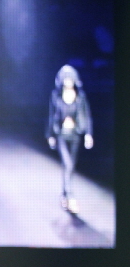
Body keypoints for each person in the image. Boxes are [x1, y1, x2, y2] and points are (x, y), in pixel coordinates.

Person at [46, 64, 93, 215]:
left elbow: (87, 116)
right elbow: (51, 116)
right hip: (61, 135)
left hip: (75, 135)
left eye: (70, 79)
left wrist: (88, 134)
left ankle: (64, 194)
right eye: (66, 79)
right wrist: (50, 135)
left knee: (70, 166)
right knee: (67, 164)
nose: (68, 82)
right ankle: (70, 197)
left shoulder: (80, 97)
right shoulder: (56, 96)